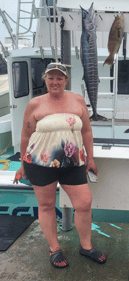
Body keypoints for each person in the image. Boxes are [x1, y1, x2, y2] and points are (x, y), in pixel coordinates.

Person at [13, 62, 107, 268]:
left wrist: (90, 158)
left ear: (66, 80)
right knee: (46, 205)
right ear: (45, 80)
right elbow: (26, 135)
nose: (55, 81)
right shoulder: (35, 104)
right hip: (39, 163)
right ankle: (54, 249)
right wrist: (21, 165)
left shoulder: (77, 100)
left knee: (84, 203)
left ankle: (86, 246)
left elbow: (87, 132)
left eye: (59, 78)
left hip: (73, 162)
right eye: (51, 78)